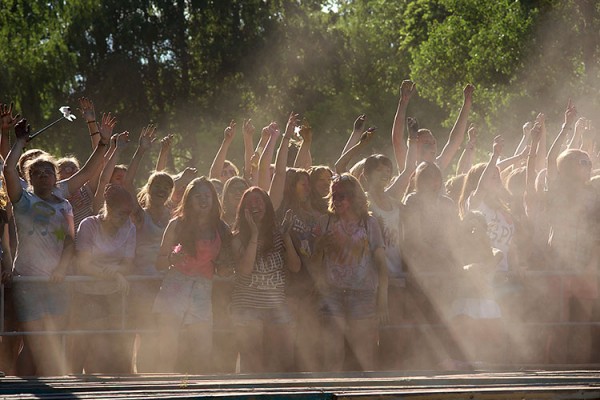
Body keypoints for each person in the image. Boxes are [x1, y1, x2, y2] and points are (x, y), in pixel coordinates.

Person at [4, 118, 78, 376]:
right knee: (35, 342)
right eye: (36, 172)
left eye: (48, 171)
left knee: (53, 340)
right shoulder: (23, 202)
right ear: (30, 178)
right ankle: (22, 387)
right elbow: (8, 170)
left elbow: (70, 243)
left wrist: (62, 268)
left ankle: (53, 385)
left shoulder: (64, 206)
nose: (43, 175)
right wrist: (20, 143)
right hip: (29, 281)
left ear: (56, 178)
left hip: (55, 282)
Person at [310, 173, 388, 371]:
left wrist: (383, 299)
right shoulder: (325, 222)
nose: (336, 200)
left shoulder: (370, 224)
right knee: (332, 352)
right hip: (332, 293)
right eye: (333, 195)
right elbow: (313, 265)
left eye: (341, 196)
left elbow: (381, 264)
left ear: (354, 197)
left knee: (364, 352)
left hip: (362, 293)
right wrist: (319, 247)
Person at [154, 177, 232, 373]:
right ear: (188, 199)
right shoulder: (176, 224)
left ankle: (199, 389)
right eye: (198, 196)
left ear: (214, 200)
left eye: (207, 196)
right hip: (175, 286)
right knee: (168, 346)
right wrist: (172, 258)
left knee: (202, 347)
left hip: (202, 289)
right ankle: (165, 388)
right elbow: (159, 262)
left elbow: (225, 266)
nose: (203, 200)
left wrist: (225, 268)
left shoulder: (221, 228)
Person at [230, 186, 301, 373]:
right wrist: (254, 234)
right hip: (248, 306)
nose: (255, 205)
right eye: (250, 201)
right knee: (253, 360)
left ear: (267, 206)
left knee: (284, 358)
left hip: (276, 306)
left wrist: (286, 236)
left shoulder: (278, 235)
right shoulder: (237, 238)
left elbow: (295, 267)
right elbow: (245, 270)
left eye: (259, 201)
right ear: (243, 208)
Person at [72, 184, 136, 373]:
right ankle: (74, 380)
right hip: (88, 292)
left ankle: (115, 379)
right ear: (108, 207)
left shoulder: (129, 227)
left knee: (113, 340)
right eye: (120, 213)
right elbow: (83, 264)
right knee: (87, 338)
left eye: (128, 213)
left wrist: (117, 271)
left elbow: (128, 264)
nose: (124, 218)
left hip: (113, 293)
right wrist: (114, 274)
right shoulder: (89, 224)